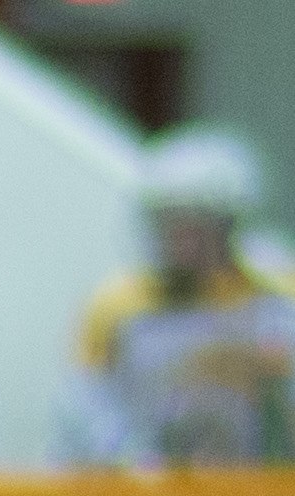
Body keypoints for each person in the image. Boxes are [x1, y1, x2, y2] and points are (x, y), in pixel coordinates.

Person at [65, 125, 295, 470]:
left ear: (228, 224)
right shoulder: (117, 305)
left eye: (190, 223)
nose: (176, 239)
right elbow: (84, 410)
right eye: (165, 221)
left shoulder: (278, 303)